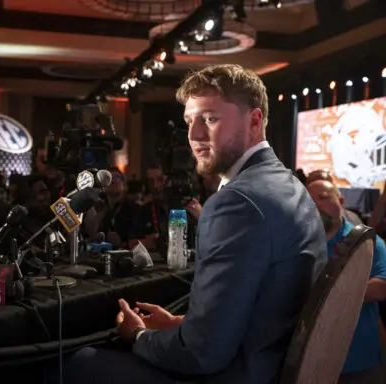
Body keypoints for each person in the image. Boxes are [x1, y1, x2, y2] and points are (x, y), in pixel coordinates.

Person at [46, 64, 327, 383]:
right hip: (263, 363)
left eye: (210, 119)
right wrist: (178, 323)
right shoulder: (290, 186)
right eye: (190, 121)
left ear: (254, 120)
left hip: (234, 373)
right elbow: (257, 309)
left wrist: (139, 337)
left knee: (77, 363)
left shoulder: (237, 202)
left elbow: (202, 353)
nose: (193, 135)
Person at [307, 180, 386, 383]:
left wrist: (320, 294)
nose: (315, 204)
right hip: (308, 361)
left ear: (340, 201)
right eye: (309, 199)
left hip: (358, 361)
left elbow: (381, 288)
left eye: (323, 197)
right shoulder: (297, 243)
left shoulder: (367, 241)